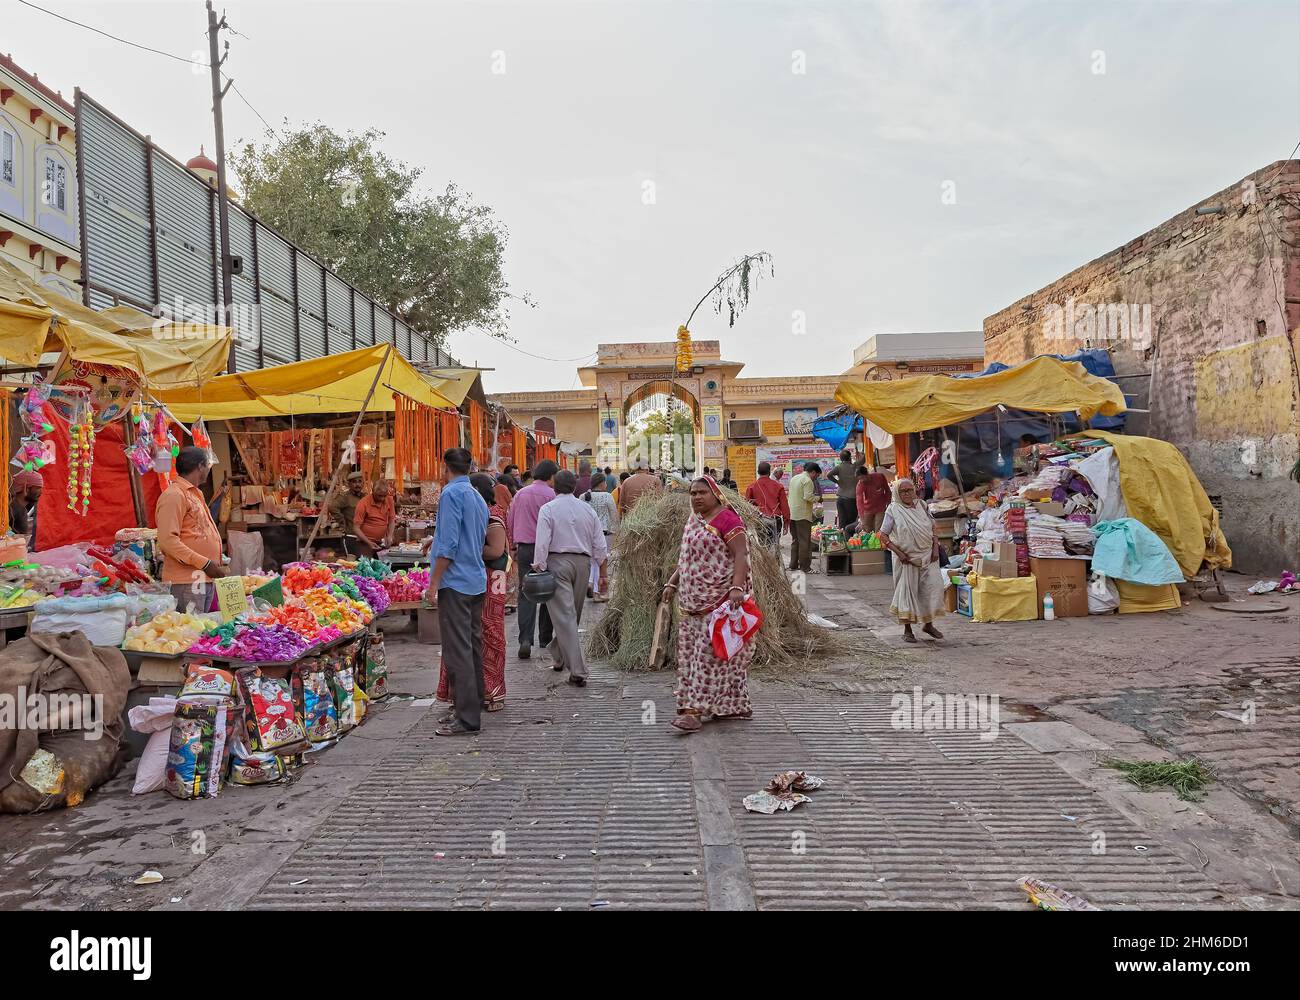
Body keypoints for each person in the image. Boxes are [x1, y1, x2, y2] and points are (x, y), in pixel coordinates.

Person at [661, 476, 754, 733]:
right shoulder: (694, 521)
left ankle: (693, 712)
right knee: (695, 655)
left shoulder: (728, 520)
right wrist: (672, 583)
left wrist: (736, 587)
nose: (697, 497)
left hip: (721, 600)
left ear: (715, 494)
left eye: (702, 492)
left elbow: (741, 555)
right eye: (693, 493)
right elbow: (687, 559)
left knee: (707, 656)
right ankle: (734, 706)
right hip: (692, 601)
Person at [425, 448, 490, 735]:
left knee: (458, 650)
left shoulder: (451, 494)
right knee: (471, 646)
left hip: (457, 582)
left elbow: (449, 545)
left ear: (445, 467)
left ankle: (467, 718)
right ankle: (471, 704)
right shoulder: (475, 494)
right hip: (475, 579)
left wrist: (433, 582)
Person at [437, 472, 507, 714]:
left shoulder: (492, 516)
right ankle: (468, 694)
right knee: (469, 637)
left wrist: (465, 546)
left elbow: (496, 551)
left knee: (488, 636)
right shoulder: (478, 513)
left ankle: (492, 691)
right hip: (474, 579)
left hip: (486, 581)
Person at [532, 469, 608, 687]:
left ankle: (569, 663)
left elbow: (542, 542)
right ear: (574, 487)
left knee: (567, 618)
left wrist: (539, 567)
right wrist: (602, 573)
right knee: (570, 616)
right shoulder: (587, 509)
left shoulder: (548, 509)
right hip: (583, 565)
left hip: (557, 564)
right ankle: (570, 664)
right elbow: (599, 543)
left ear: (554, 486)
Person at [157, 446, 225, 613]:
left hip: (202, 578)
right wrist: (205, 563)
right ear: (201, 466)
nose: (209, 469)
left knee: (202, 633)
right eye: (209, 465)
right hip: (187, 580)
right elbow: (167, 541)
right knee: (191, 633)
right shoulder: (174, 495)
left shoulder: (194, 494)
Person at [878, 477, 945, 643]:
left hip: (928, 556)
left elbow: (933, 527)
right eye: (903, 491)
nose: (908, 494)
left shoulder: (922, 505)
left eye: (910, 490)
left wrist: (935, 547)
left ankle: (928, 624)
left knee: (931, 589)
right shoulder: (893, 510)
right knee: (906, 594)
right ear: (897, 493)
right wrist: (899, 553)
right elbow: (883, 535)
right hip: (906, 559)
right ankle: (907, 630)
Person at [507, 459, 558, 658]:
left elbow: (510, 521)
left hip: (526, 548)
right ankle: (544, 638)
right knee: (547, 592)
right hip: (546, 549)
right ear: (551, 476)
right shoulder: (551, 495)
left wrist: (512, 546)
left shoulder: (520, 494)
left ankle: (525, 639)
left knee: (526, 593)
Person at [583, 475, 619, 601]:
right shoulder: (607, 496)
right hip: (603, 533)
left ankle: (590, 582)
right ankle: (597, 592)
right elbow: (614, 515)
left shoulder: (583, 497)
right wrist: (617, 530)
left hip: (587, 533)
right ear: (602, 483)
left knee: (592, 560)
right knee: (602, 561)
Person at [745, 461, 790, 554]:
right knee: (774, 547)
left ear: (758, 472)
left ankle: (765, 566)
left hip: (759, 520)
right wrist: (786, 523)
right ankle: (775, 566)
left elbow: (747, 506)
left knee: (762, 547)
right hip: (775, 520)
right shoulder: (778, 486)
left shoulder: (751, 487)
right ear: (770, 472)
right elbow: (784, 506)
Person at [787, 461, 821, 573]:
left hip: (792, 513)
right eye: (816, 475)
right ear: (813, 472)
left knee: (795, 540)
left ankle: (793, 564)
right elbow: (808, 497)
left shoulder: (794, 478)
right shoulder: (807, 481)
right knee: (805, 542)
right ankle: (805, 567)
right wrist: (818, 498)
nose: (816, 478)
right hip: (803, 515)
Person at [352, 480, 396, 557]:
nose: (382, 498)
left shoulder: (389, 500)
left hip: (381, 543)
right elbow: (356, 528)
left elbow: (391, 520)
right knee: (366, 566)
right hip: (365, 543)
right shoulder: (363, 503)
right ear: (373, 492)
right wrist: (368, 542)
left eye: (384, 496)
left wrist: (390, 536)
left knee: (382, 566)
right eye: (379, 496)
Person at [827, 449, 862, 530]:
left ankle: (842, 538)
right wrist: (860, 452)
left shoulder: (839, 467)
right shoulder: (854, 466)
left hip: (840, 499)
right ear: (850, 457)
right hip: (851, 499)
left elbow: (829, 475)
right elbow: (863, 460)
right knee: (851, 521)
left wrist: (838, 482)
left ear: (841, 458)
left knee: (842, 521)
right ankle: (850, 539)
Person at [8, 469, 43, 549]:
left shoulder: (20, 509)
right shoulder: (10, 508)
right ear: (26, 488)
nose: (41, 492)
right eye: (38, 488)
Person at [856, 464, 892, 533]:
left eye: (863, 478)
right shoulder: (860, 485)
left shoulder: (880, 477)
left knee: (879, 530)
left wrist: (888, 503)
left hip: (881, 508)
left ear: (867, 474)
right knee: (867, 530)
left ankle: (879, 542)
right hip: (868, 509)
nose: (862, 480)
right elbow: (859, 503)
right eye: (860, 479)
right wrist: (862, 519)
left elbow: (887, 491)